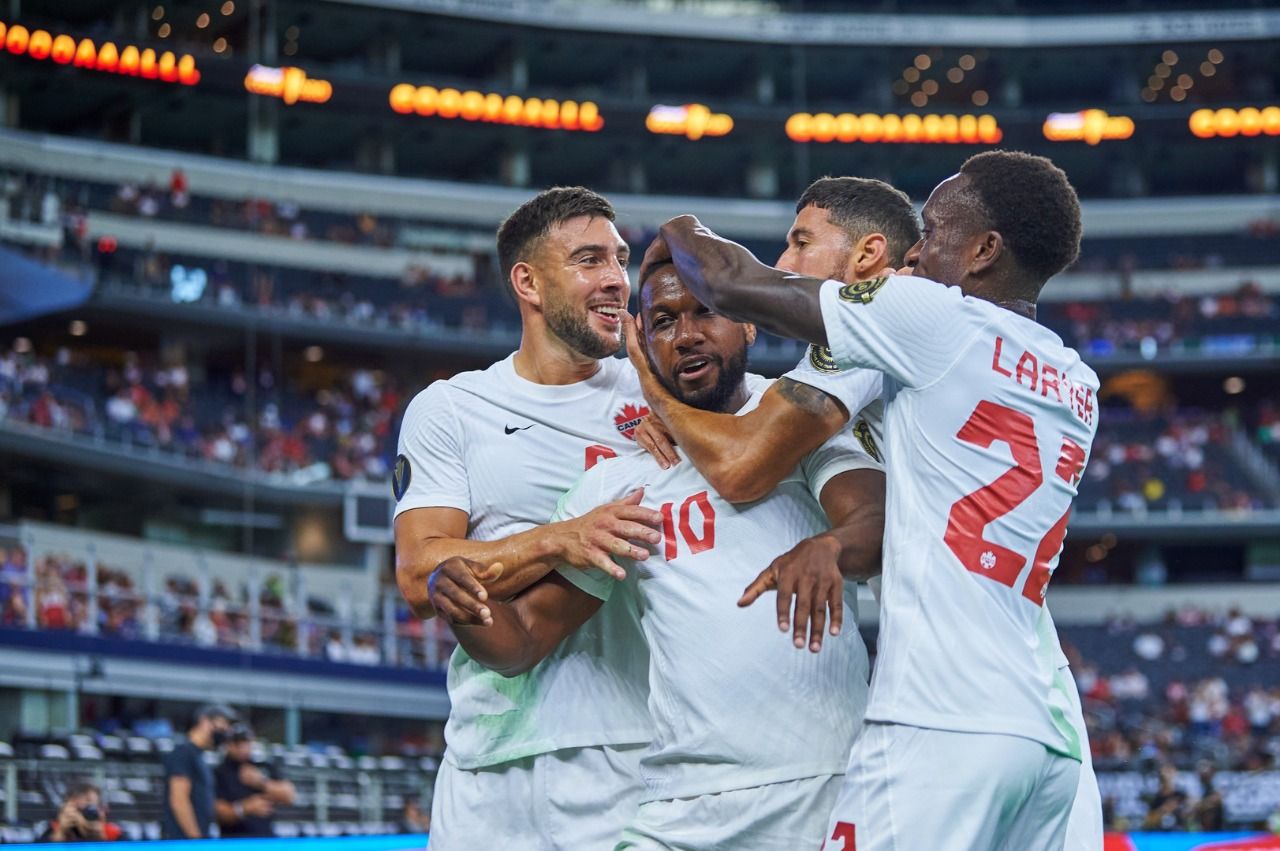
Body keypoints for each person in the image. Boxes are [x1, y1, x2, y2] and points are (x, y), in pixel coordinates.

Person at [626, 175, 1104, 850]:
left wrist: (673, 240)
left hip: (941, 715)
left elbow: (740, 462)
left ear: (984, 250)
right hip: (1046, 721)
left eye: (799, 242)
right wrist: (838, 543)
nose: (917, 252)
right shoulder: (1074, 377)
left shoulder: (911, 319)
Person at [428, 261, 884, 849]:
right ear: (641, 343)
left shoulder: (801, 423)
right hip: (677, 807)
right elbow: (523, 640)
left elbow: (873, 526)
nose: (687, 334)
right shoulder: (616, 487)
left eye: (705, 312)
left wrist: (830, 545)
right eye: (664, 322)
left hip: (820, 785)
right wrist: (463, 602)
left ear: (748, 325)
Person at [392, 187, 665, 849]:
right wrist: (562, 538)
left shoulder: (660, 394)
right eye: (589, 259)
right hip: (489, 762)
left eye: (620, 259)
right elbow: (419, 570)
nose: (615, 280)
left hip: (634, 753)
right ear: (528, 281)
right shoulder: (452, 409)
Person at [161, 703, 236, 839]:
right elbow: (179, 800)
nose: (225, 729)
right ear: (204, 721)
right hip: (182, 841)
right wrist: (195, 839)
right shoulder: (183, 753)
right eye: (222, 723)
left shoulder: (199, 756)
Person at [214, 723, 296, 838]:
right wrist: (245, 808)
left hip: (264, 839)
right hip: (233, 840)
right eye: (237, 743)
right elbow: (218, 812)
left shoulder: (262, 765)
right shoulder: (220, 772)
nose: (243, 748)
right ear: (228, 745)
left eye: (246, 743)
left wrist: (262, 783)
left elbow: (289, 795)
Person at [39, 782, 121, 842]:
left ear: (103, 810)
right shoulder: (53, 830)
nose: (81, 818)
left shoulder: (113, 833)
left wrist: (101, 838)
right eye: (78, 811)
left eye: (90, 810)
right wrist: (61, 833)